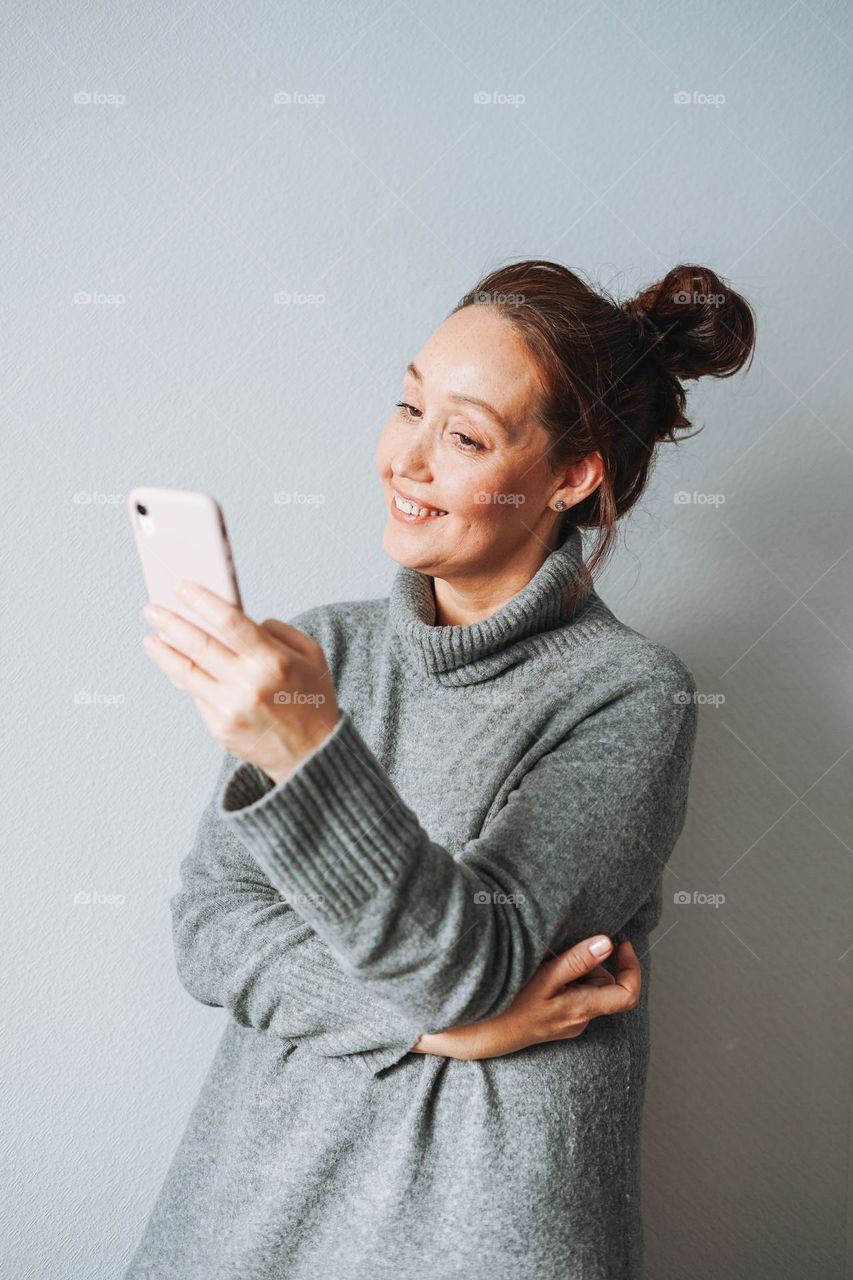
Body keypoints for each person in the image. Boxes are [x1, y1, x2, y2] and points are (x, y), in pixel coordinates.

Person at [125, 258, 756, 1279]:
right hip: (251, 1206)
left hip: (479, 1224)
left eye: (461, 435)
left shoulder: (631, 693)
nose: (404, 460)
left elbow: (471, 961)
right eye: (407, 404)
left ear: (572, 473)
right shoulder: (319, 651)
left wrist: (307, 751)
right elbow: (212, 931)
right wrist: (444, 1033)